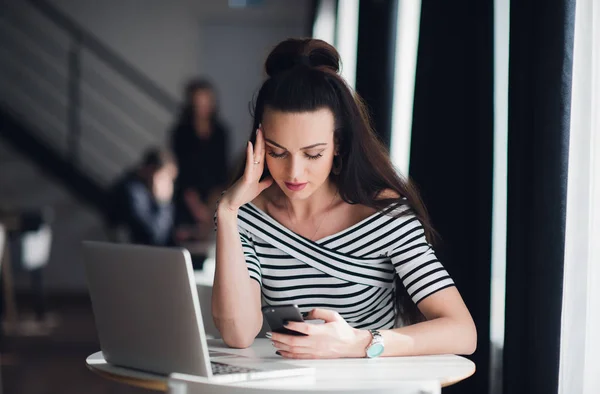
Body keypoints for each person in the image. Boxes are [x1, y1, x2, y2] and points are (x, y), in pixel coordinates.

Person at [212, 38, 477, 358]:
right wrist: (227, 211)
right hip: (283, 388)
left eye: (313, 154)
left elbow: (462, 331)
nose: (294, 173)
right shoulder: (248, 217)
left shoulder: (383, 215)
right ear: (258, 146)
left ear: (338, 144)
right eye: (277, 152)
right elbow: (238, 334)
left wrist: (358, 343)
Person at [170, 78, 229, 241]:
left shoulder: (220, 132)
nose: (203, 107)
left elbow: (222, 169)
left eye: (206, 102)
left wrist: (211, 207)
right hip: (187, 201)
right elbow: (182, 173)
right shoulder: (181, 132)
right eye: (198, 103)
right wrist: (198, 209)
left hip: (214, 199)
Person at [107, 148, 177, 246]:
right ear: (153, 171)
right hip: (128, 253)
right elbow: (153, 237)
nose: (168, 185)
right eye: (166, 178)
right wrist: (163, 202)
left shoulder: (142, 188)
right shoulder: (132, 191)